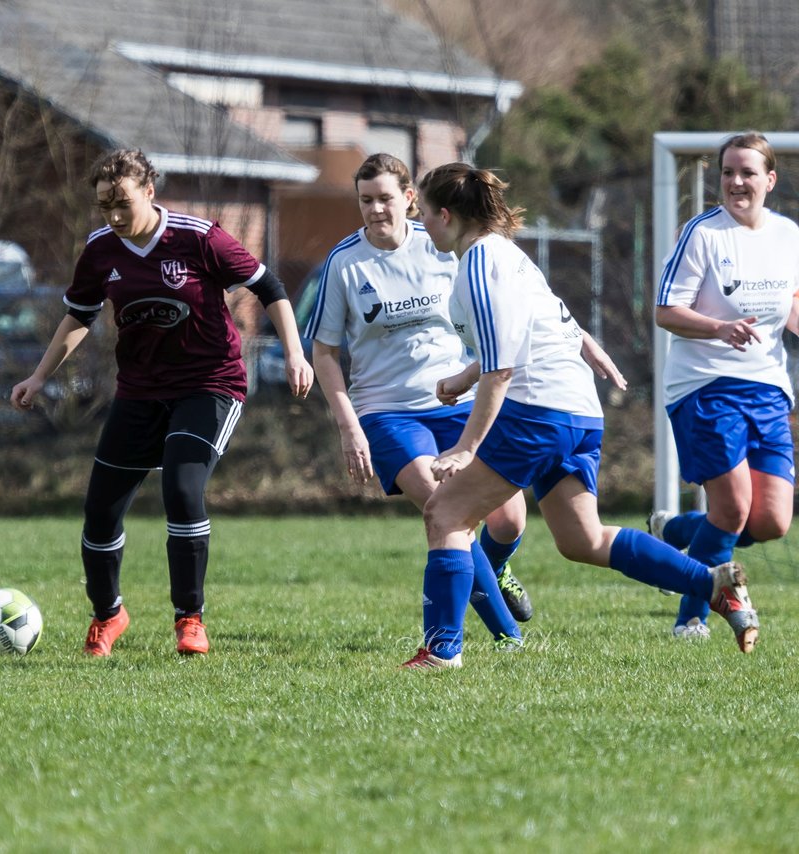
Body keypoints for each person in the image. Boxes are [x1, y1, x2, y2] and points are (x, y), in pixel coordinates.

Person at [401, 161, 759, 670]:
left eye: (422, 213)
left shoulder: (479, 263)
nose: (421, 224)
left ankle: (441, 653)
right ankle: (714, 584)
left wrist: (466, 447)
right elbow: (538, 328)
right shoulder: (508, 256)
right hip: (577, 410)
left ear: (443, 215)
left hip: (537, 410)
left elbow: (503, 369)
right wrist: (465, 378)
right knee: (582, 539)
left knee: (445, 514)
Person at [308, 153, 628, 650]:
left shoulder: (443, 245)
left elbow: (518, 301)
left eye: (385, 199)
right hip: (388, 411)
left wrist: (580, 338)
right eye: (365, 200)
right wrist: (350, 426)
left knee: (509, 519)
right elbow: (325, 353)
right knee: (446, 509)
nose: (375, 210)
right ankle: (507, 635)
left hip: (460, 399)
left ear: (410, 199)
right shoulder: (344, 263)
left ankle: (494, 573)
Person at [11, 148, 313, 657]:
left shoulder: (199, 238)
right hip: (140, 391)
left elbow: (269, 286)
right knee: (100, 512)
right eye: (104, 205)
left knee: (181, 486)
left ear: (149, 192)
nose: (113, 215)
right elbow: (80, 315)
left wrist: (295, 352)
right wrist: (40, 376)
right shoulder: (101, 250)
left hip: (209, 384)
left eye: (122, 203)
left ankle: (189, 619)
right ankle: (108, 615)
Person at [649, 132, 799, 640]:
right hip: (705, 384)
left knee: (770, 522)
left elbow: (791, 305)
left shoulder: (787, 235)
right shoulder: (703, 234)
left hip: (768, 388)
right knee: (732, 508)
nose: (736, 182)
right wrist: (718, 327)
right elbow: (665, 311)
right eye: (728, 172)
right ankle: (690, 618)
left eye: (748, 172)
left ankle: (673, 534)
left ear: (769, 180)